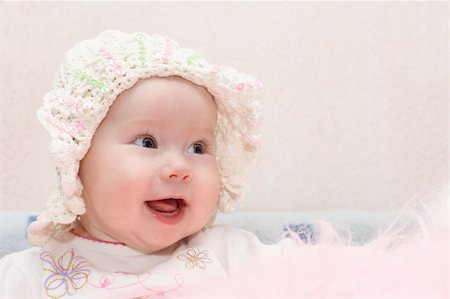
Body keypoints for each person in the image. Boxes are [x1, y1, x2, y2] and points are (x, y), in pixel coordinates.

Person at [0, 30, 447, 299]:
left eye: (199, 148)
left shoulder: (229, 253)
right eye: (148, 141)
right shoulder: (29, 275)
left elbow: (342, 274)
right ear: (77, 158)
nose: (180, 167)